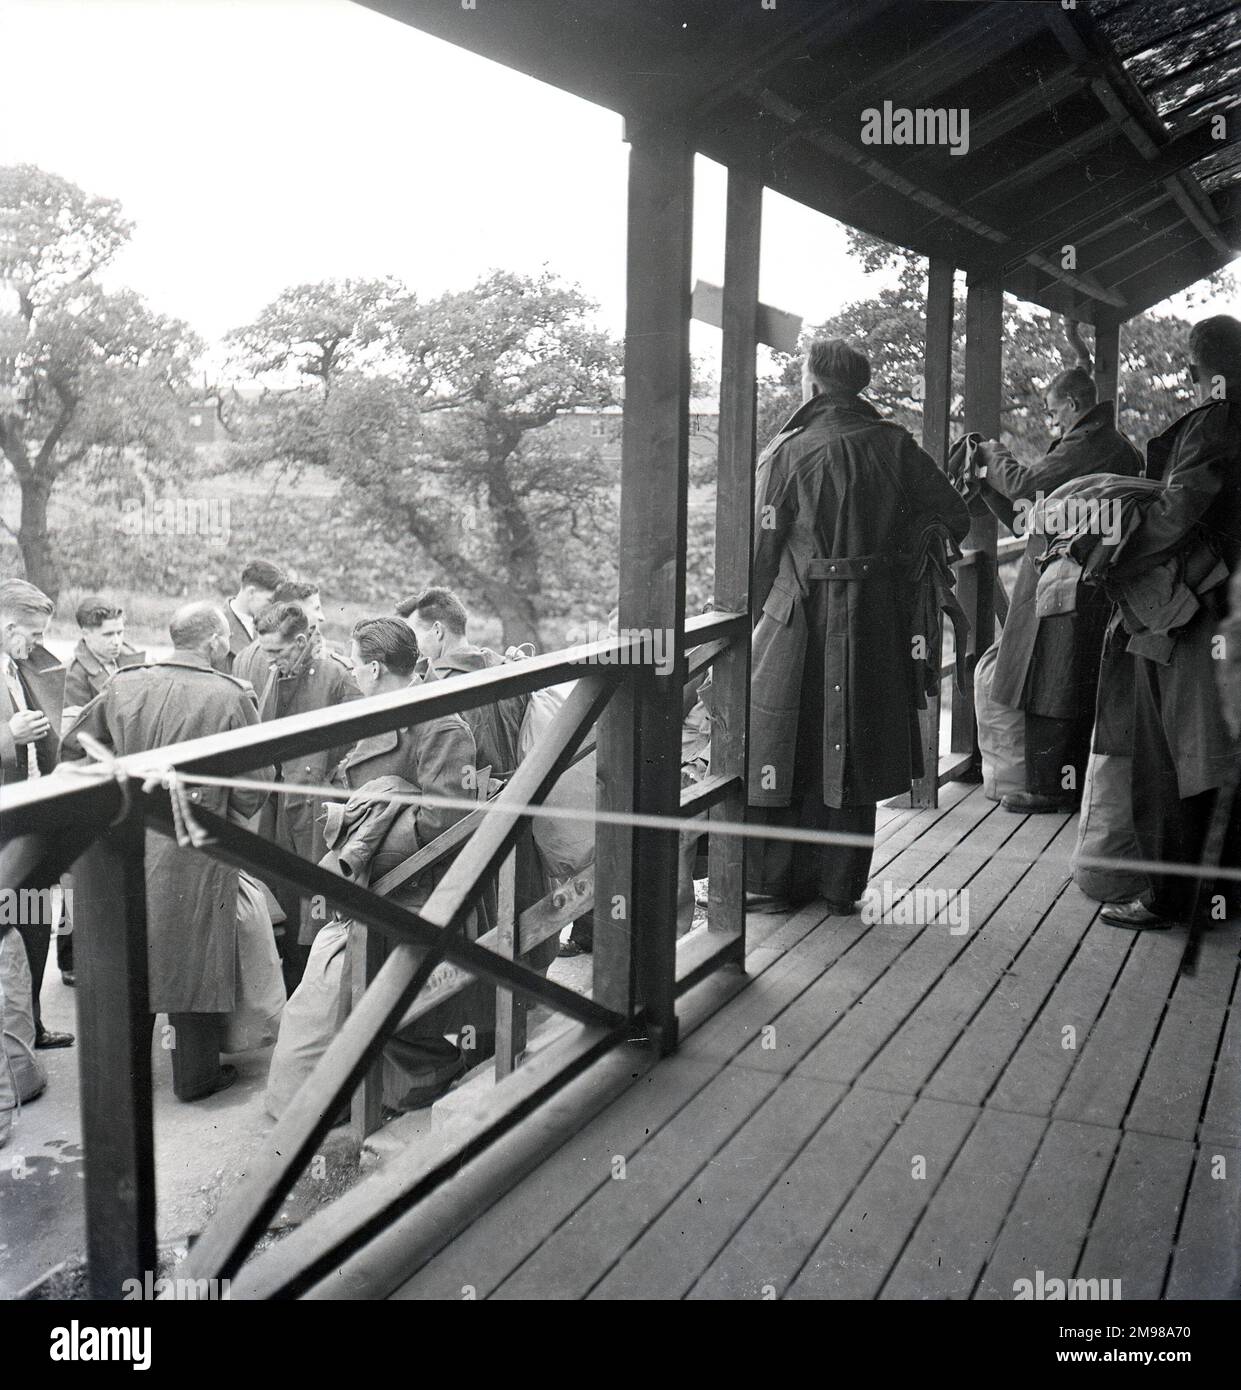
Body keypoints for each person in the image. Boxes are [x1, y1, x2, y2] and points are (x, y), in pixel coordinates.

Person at [747, 338, 970, 912]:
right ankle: (840, 887)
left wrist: (748, 620)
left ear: (813, 381)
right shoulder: (895, 445)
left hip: (793, 619)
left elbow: (757, 551)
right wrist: (893, 556)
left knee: (783, 741)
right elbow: (953, 517)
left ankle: (771, 887)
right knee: (855, 745)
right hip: (873, 620)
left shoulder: (785, 451)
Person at [62, 603, 273, 1099]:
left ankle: (122, 1076)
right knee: (193, 957)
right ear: (217, 642)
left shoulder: (123, 683)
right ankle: (194, 1078)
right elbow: (252, 789)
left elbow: (75, 752)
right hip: (194, 845)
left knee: (132, 950)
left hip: (124, 839)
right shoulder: (230, 695)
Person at [1094, 316, 1241, 930]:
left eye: (1190, 362)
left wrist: (1112, 552)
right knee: (1221, 748)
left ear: (1205, 368)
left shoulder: (1217, 418)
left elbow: (1180, 508)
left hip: (1194, 606)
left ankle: (1168, 898)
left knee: (1172, 756)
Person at [977, 367, 1143, 811]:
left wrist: (992, 452)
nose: (1052, 422)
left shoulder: (1088, 443)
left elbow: (1023, 487)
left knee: (1052, 679)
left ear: (1072, 403)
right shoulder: (1117, 444)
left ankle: (1051, 789)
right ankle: (1067, 785)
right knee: (1067, 679)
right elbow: (1026, 512)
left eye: (1053, 413)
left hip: (1068, 578)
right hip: (1090, 576)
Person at [234, 602, 361, 987]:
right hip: (273, 807)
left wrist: (329, 778)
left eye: (276, 652)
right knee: (280, 902)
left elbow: (363, 737)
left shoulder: (336, 674)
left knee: (314, 908)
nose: (268, 660)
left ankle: (309, 994)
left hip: (314, 809)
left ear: (302, 640)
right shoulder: (264, 664)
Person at [57, 597, 146, 987]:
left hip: (118, 779)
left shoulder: (128, 659)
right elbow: (74, 738)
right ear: (85, 634)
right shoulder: (73, 676)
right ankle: (69, 957)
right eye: (107, 635)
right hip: (89, 779)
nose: (116, 641)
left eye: (120, 632)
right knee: (75, 877)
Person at [0, 578, 73, 1049]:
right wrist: (9, 734)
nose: (40, 645)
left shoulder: (18, 664)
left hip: (30, 813)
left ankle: (32, 1026)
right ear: (8, 627)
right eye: (35, 634)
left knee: (33, 920)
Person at [224, 559, 285, 667]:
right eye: (270, 601)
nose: (273, 607)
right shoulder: (217, 626)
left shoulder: (274, 626)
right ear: (251, 592)